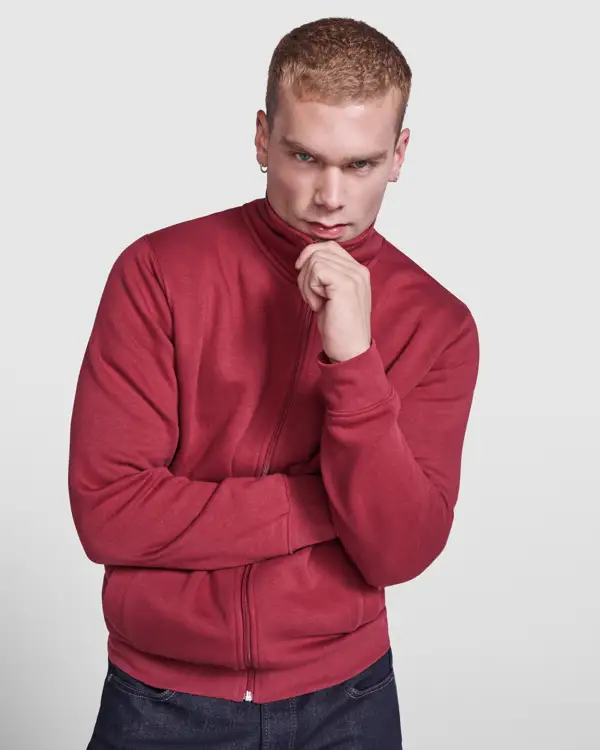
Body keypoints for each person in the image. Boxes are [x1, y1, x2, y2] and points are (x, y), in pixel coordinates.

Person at [69, 16, 479, 749]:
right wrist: (323, 503)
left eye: (360, 164)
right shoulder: (157, 274)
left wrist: (354, 361)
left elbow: (399, 550)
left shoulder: (437, 323)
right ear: (262, 139)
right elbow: (109, 512)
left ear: (398, 156)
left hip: (348, 702)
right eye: (304, 156)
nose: (330, 196)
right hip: (161, 700)